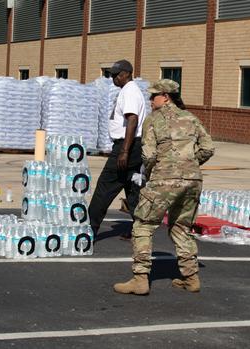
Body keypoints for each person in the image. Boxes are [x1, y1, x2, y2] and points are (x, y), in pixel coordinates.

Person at [113, 79, 214, 295]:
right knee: (181, 227)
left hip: (163, 180)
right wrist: (189, 164)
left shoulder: (153, 120)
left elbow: (148, 154)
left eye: (153, 96)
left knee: (143, 224)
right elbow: (208, 148)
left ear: (165, 96)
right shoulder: (191, 118)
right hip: (192, 181)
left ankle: (140, 278)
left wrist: (152, 172)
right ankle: (191, 277)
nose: (150, 100)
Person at [88, 59, 148, 240]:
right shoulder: (126, 91)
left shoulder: (130, 92)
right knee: (132, 191)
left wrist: (124, 151)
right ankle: (141, 232)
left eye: (117, 74)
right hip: (130, 146)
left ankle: (88, 232)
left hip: (127, 146)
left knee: (105, 187)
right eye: (112, 74)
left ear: (127, 74)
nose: (113, 77)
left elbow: (132, 120)